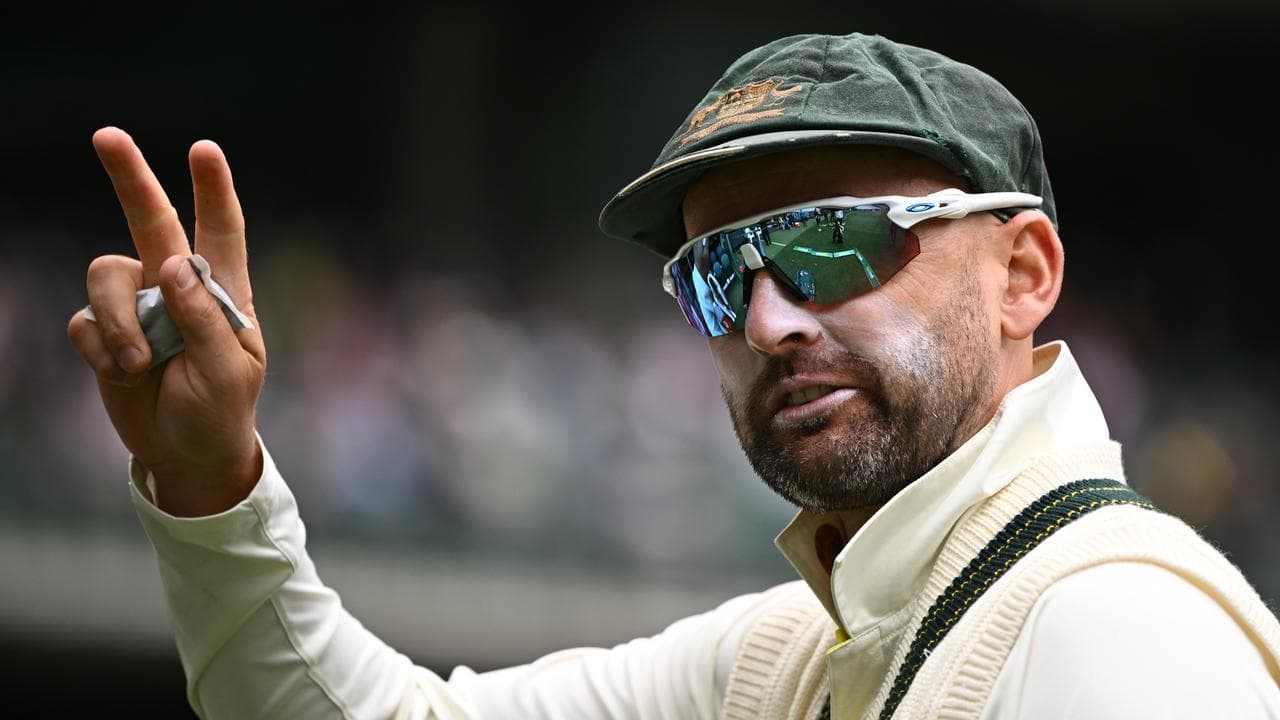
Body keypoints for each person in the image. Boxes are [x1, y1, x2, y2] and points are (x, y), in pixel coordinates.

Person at [66, 31, 1280, 720]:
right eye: (714, 273)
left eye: (828, 242)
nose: (767, 319)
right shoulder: (790, 653)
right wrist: (210, 480)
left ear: (1023, 275)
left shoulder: (1119, 632)